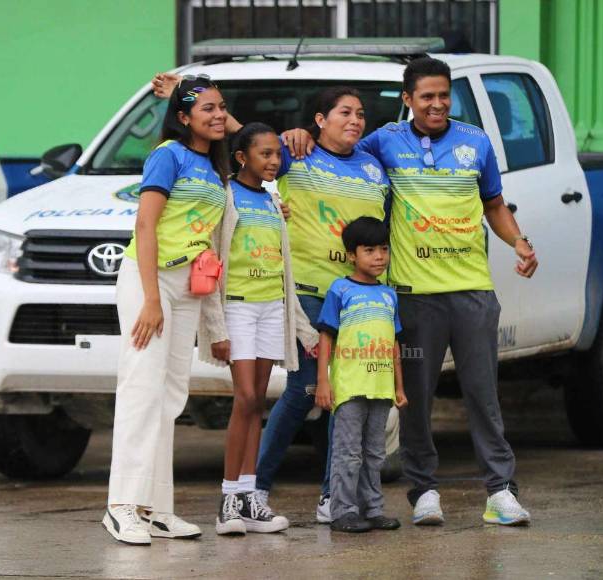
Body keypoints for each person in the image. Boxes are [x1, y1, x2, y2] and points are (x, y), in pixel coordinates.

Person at [285, 57, 539, 526]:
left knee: (483, 395)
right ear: (408, 101)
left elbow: (495, 204)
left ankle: (500, 491)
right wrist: (294, 135)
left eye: (444, 95)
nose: (437, 104)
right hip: (412, 296)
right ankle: (424, 491)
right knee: (416, 398)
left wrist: (519, 241)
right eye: (427, 97)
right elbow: (333, 147)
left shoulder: (476, 141)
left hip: (472, 291)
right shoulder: (383, 141)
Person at [152, 75, 390, 522]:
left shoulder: (358, 170)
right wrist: (184, 96)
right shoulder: (269, 171)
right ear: (319, 121)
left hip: (323, 302)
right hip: (274, 298)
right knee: (275, 394)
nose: (355, 120)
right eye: (345, 112)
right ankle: (244, 492)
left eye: (360, 114)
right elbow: (249, 145)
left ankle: (284, 498)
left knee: (298, 397)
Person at [104, 74, 230, 545]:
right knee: (141, 388)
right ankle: (121, 506)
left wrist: (193, 90)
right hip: (149, 281)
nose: (218, 115)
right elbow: (145, 223)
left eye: (221, 107)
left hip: (189, 289)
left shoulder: (213, 165)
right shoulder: (168, 155)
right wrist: (152, 299)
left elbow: (240, 134)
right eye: (206, 109)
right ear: (183, 118)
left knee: (171, 395)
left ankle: (155, 508)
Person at [196, 123, 318, 535]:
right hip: (237, 309)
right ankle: (228, 499)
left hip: (272, 309)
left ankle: (250, 499)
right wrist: (215, 326)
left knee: (258, 402)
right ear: (241, 157)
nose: (273, 162)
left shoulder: (272, 200)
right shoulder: (224, 196)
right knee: (244, 398)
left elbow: (285, 272)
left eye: (277, 155)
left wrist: (304, 330)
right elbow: (210, 259)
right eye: (264, 154)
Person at [315, 217, 407, 533]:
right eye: (369, 250)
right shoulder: (340, 290)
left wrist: (399, 387)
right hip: (350, 387)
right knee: (348, 453)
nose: (379, 256)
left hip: (381, 388)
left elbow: (394, 344)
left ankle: (373, 509)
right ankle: (343, 512)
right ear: (352, 255)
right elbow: (326, 338)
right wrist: (323, 382)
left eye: (383, 249)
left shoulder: (389, 295)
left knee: (375, 453)